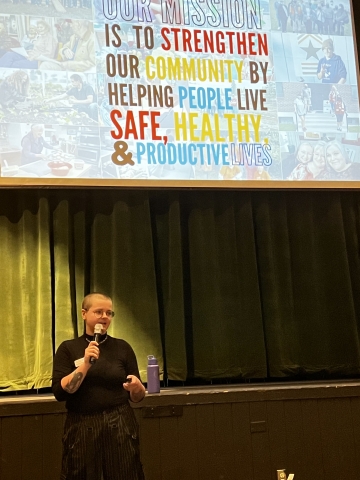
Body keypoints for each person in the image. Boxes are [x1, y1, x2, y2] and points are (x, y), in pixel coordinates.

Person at [52, 292, 146, 480]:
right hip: (82, 423)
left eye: (109, 313)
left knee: (126, 474)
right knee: (79, 474)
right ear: (84, 313)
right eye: (99, 311)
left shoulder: (122, 347)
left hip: (119, 422)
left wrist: (136, 387)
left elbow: (138, 396)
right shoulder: (68, 348)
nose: (104, 317)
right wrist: (86, 363)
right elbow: (60, 392)